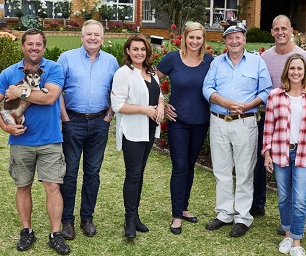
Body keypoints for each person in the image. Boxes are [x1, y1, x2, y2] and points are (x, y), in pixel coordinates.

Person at [0, 28, 71, 255]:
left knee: (53, 187)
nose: (34, 48)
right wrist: (5, 126)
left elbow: (50, 97)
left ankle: (55, 233)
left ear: (44, 47)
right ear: (22, 46)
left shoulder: (53, 68)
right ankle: (27, 231)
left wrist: (20, 93)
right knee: (23, 186)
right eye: (29, 44)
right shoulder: (9, 73)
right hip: (21, 141)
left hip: (50, 139)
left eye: (38, 44)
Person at [202, 24, 272, 237]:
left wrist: (248, 105)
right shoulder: (216, 63)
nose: (234, 41)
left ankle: (242, 217)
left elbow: (266, 91)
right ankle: (224, 213)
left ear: (244, 39)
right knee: (221, 170)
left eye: (238, 37)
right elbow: (207, 88)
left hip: (245, 121)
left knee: (244, 171)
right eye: (230, 38)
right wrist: (224, 101)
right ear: (225, 41)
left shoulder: (257, 62)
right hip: (219, 121)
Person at [57, 19, 119, 240]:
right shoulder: (67, 58)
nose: (93, 38)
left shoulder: (111, 61)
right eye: (89, 34)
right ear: (81, 36)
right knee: (70, 173)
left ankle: (87, 218)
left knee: (92, 173)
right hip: (72, 121)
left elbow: (117, 91)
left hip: (99, 123)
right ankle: (67, 221)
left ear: (103, 38)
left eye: (97, 35)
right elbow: (56, 90)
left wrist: (109, 115)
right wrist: (64, 117)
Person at [253, 15, 306, 223]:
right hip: (273, 119)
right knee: (262, 166)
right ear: (272, 32)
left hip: (299, 124)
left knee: (296, 182)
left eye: (284, 28)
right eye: (276, 29)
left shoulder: (304, 57)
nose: (280, 32)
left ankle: (291, 223)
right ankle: (258, 204)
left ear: (291, 31)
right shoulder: (265, 58)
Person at [262, 53, 306, 256]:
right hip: (280, 152)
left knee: (299, 199)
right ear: (286, 71)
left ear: (305, 72)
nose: (296, 72)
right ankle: (287, 236)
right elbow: (268, 127)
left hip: (304, 153)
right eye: (292, 68)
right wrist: (267, 154)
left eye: (300, 68)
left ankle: (297, 242)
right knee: (284, 197)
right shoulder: (275, 95)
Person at [156, 22, 214, 235]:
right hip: (177, 121)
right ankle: (176, 215)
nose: (195, 42)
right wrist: (162, 101)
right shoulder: (172, 59)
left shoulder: (209, 61)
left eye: (199, 38)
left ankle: (184, 207)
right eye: (191, 37)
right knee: (179, 166)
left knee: (190, 165)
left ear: (203, 40)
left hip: (200, 122)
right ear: (184, 38)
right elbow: (151, 80)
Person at [110, 34, 165, 239]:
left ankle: (136, 215)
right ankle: (129, 220)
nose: (139, 53)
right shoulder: (124, 73)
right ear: (128, 51)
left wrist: (160, 106)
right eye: (135, 49)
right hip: (132, 131)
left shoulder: (151, 72)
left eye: (142, 49)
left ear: (147, 51)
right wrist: (145, 110)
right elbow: (118, 106)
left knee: (140, 173)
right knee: (133, 175)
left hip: (149, 129)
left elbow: (159, 95)